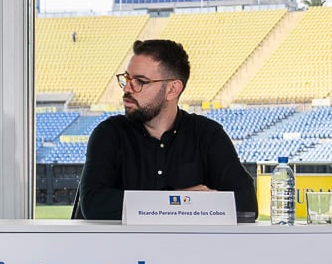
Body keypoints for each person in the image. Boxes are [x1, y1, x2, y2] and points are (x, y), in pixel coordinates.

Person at [71, 38, 257, 221]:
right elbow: (94, 203)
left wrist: (153, 204)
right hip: (126, 250)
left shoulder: (207, 134)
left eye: (140, 81)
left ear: (172, 89)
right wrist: (181, 201)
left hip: (190, 250)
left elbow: (247, 203)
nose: (127, 88)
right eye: (127, 78)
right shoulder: (109, 133)